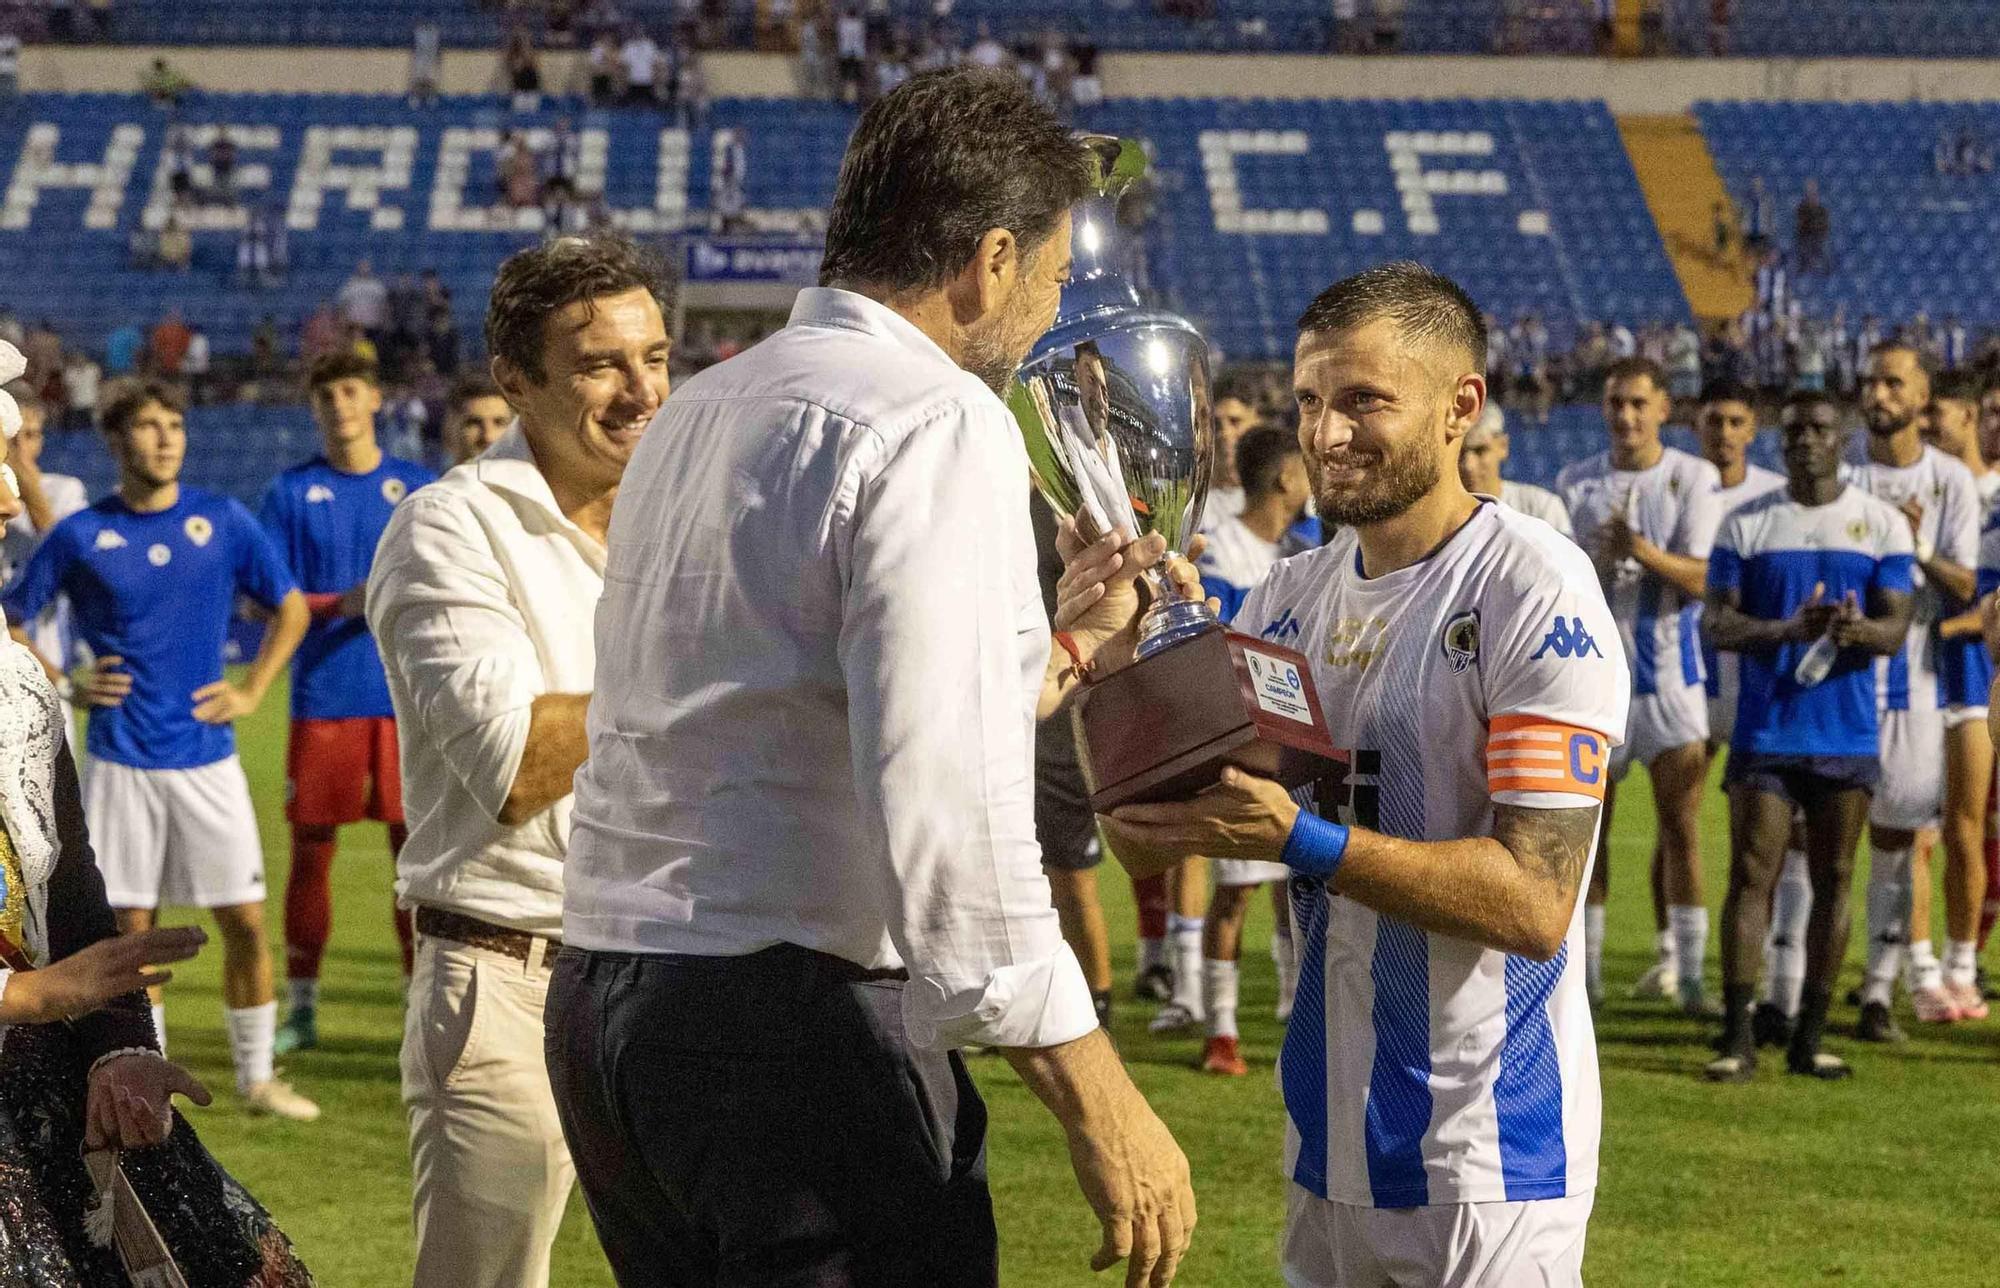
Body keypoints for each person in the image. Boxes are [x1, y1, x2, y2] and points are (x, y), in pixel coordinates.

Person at [550, 71, 1197, 1288]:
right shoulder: (935, 417)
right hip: (791, 1020)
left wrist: (1057, 646)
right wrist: (1095, 1091)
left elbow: (808, 707)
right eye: (1050, 276)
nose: (1049, 307)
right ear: (988, 260)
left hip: (610, 1002)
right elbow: (944, 796)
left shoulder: (701, 408)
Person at [1106, 262, 1625, 1287]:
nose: (1324, 434)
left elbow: (1533, 902)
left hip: (1486, 1160)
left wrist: (1301, 840)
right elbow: (1135, 835)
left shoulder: (1530, 586)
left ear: (1458, 407)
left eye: (1362, 401)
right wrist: (1129, 662)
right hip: (1325, 1145)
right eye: (1308, 401)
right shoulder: (1283, 599)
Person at [367, 235, 672, 1288]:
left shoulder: (682, 519)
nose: (640, 391)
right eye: (600, 364)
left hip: (683, 973)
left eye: (656, 358)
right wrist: (701, 646)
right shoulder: (448, 527)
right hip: (510, 978)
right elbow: (509, 766)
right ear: (514, 380)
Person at [0, 372, 312, 1285]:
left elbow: (71, 891)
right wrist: (24, 1000)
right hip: (130, 761)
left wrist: (120, 1043)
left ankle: (256, 1072)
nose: (13, 496)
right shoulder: (81, 539)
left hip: (44, 1100)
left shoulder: (18, 688)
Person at [1702, 392, 1914, 1082]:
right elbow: (1716, 624)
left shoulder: (1879, 525)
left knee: (1836, 877)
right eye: (1793, 431)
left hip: (1845, 731)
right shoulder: (1745, 524)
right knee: (1752, 871)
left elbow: (1896, 629)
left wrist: (1857, 632)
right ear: (1779, 440)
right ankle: (1738, 1035)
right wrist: (1787, 630)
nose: (1805, 441)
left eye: (1819, 430)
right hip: (1768, 727)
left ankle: (1809, 1037)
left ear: (1842, 438)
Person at [259, 353, 436, 1057]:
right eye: (326, 392)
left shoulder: (416, 487)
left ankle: (420, 1003)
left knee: (414, 858)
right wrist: (342, 603)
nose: (339, 403)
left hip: (406, 701)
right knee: (311, 852)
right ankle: (301, 1010)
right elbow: (267, 591)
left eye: (350, 389)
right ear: (315, 406)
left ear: (376, 399)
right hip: (323, 700)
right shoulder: (291, 492)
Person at [1558, 357, 1723, 1014]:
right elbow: (1567, 587)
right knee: (1588, 833)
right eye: (1615, 402)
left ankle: (1688, 980)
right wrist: (1600, 557)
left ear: (1663, 409)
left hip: (1673, 683)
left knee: (1681, 828)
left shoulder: (1693, 478)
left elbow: (1704, 578)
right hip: (1595, 683)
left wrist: (1640, 549)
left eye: (1637, 403)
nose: (1625, 416)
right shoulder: (1577, 483)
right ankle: (1586, 983)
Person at [1848, 344, 1983, 1035]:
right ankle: (1791, 991)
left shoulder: (1950, 482)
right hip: (1842, 682)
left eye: (1893, 382)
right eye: (1872, 380)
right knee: (1818, 844)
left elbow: (1965, 583)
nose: (1879, 392)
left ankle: (1878, 990)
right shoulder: (1841, 475)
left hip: (1916, 684)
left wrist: (1913, 545)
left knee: (1900, 843)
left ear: (1921, 396)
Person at [1189, 425, 1311, 1077]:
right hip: (1240, 742)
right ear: (1284, 479)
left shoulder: (1304, 548)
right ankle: (1221, 1029)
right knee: (1236, 892)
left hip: (1296, 743)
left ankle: (1298, 1011)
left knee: (1298, 885)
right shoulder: (1224, 552)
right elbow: (1223, 649)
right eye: (1305, 469)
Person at [1924, 372, 1997, 1018]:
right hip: (1924, 677)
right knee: (1918, 831)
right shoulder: (1940, 488)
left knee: (1965, 827)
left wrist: (1938, 625)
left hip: (1975, 677)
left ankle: (1963, 966)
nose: (1928, 426)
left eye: (1937, 415)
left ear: (1968, 417)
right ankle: (1919, 968)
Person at [2, 392, 89, 678]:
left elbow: (71, 560)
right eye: (12, 437)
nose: (19, 447)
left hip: (46, 663)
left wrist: (28, 486)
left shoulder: (64, 490)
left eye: (30, 435)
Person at [1458, 402, 1571, 536]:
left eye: (1480, 451)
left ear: (1503, 446)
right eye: (1460, 453)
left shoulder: (1542, 507)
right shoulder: (1438, 516)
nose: (1468, 465)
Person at [441, 372, 513, 465]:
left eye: (499, 423)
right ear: (448, 431)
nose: (488, 437)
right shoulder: (424, 478)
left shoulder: (532, 478)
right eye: (474, 423)